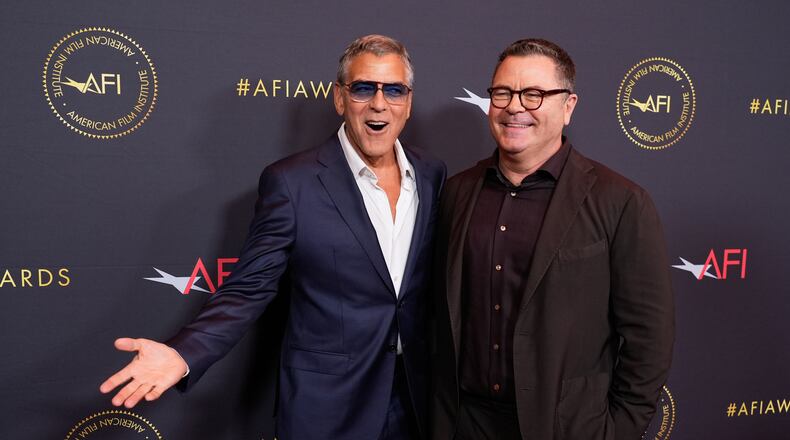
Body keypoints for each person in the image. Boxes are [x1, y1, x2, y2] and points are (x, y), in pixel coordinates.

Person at [100, 34, 446, 440]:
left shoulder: (431, 173)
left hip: (415, 400)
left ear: (408, 102)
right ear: (340, 98)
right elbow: (249, 288)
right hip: (329, 405)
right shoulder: (292, 183)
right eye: (363, 88)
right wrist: (183, 353)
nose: (379, 103)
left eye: (394, 90)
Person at [431, 38, 674, 440]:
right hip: (464, 424)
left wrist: (616, 431)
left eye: (534, 94)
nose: (515, 107)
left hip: (565, 428)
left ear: (568, 106)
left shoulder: (621, 201)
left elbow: (649, 339)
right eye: (503, 93)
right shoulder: (457, 192)